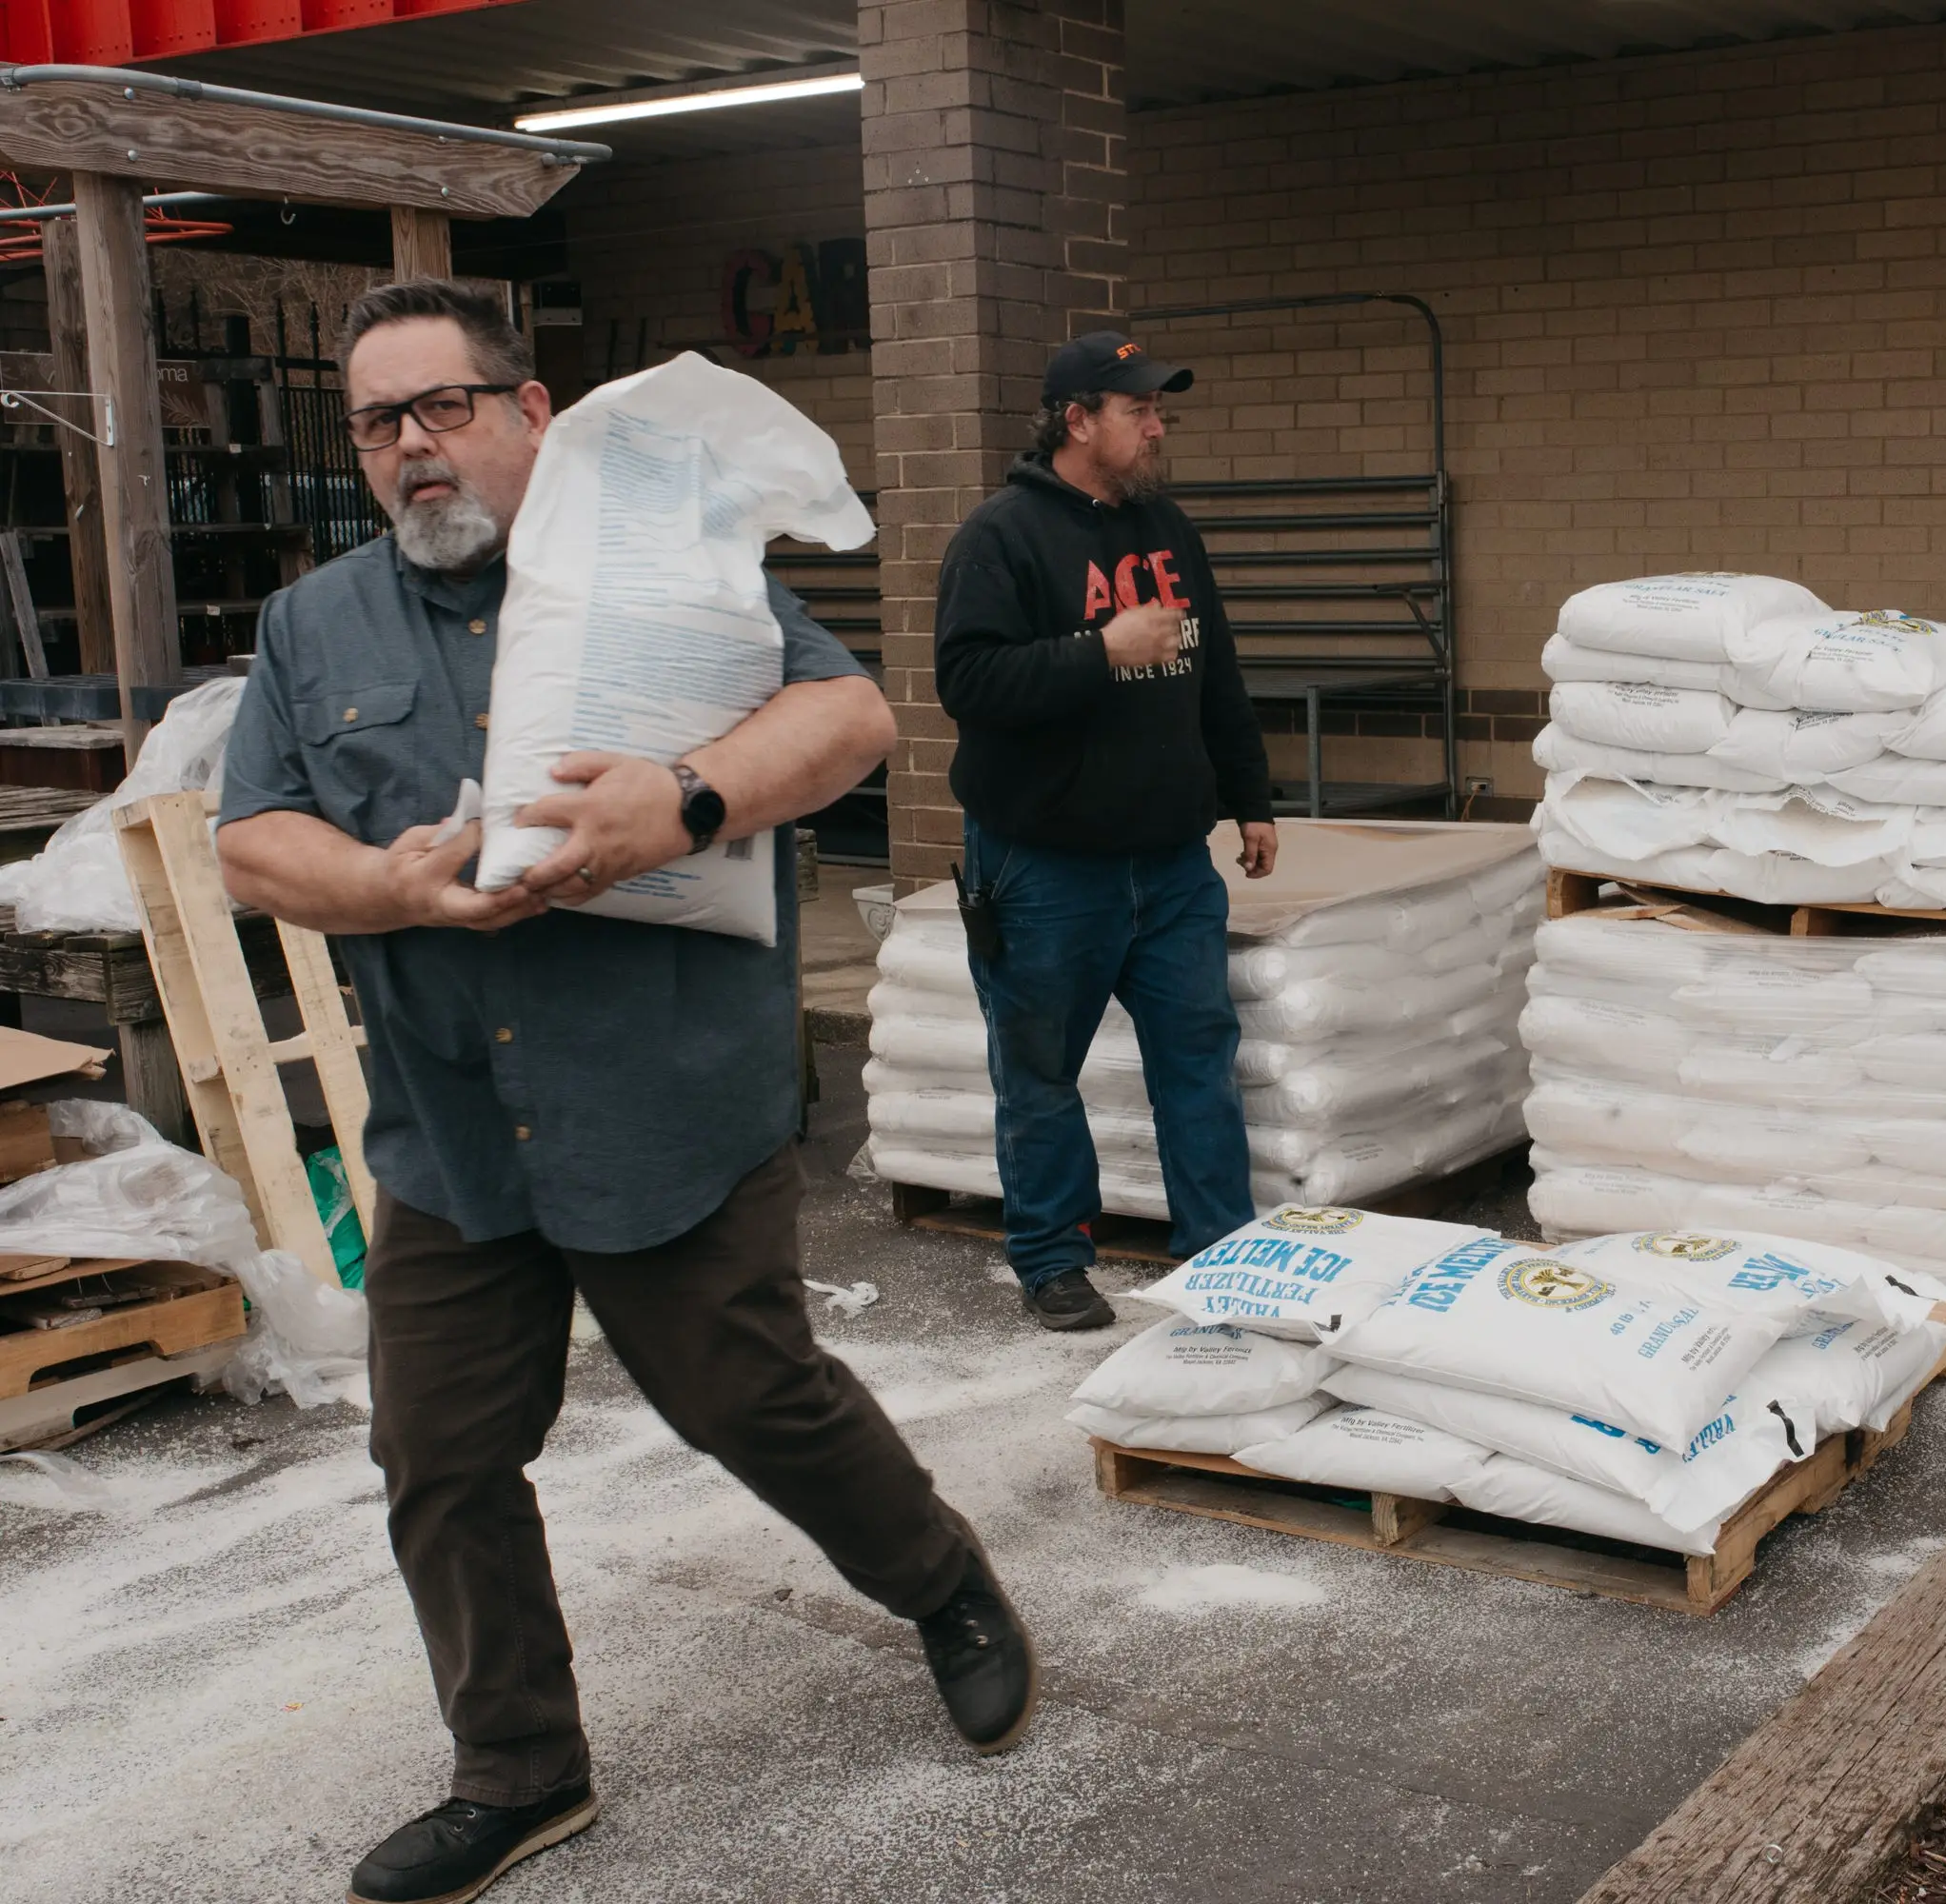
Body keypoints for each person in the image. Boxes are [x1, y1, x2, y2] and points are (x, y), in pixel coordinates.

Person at [216, 281, 1035, 1904]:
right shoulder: (316, 627)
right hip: (453, 1125)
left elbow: (851, 716)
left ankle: (943, 1583)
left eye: (441, 409)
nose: (410, 452)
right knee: (439, 1459)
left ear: (530, 414)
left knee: (753, 1404)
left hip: (666, 1099)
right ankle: (518, 1770)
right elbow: (252, 840)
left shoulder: (654, 574)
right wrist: (389, 887)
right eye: (378, 424)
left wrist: (690, 791)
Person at [934, 331, 1277, 1331]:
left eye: (1159, 408)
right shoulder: (1000, 537)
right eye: (1139, 409)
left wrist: (1249, 794)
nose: (1157, 424)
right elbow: (969, 682)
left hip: (1171, 860)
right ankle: (1051, 1258)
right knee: (1040, 1069)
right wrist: (1100, 650)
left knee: (1198, 1059)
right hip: (1044, 865)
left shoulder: (1169, 530)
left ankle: (1222, 1253)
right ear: (1077, 420)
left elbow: (1217, 673)